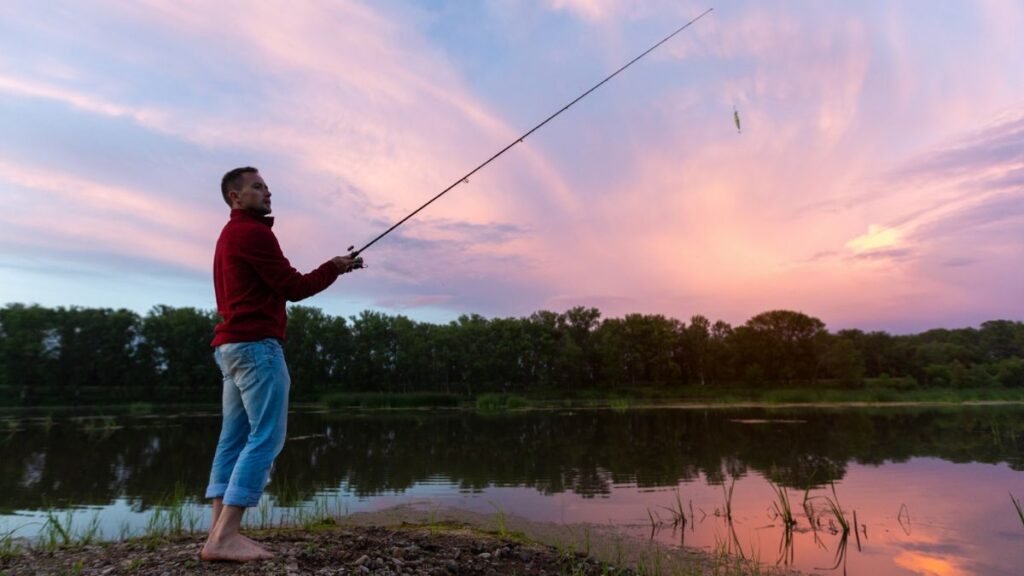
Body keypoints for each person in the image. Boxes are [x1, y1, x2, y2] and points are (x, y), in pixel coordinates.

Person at [200, 167, 360, 562]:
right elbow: (294, 287)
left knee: (233, 439)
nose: (267, 192)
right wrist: (334, 267)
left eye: (268, 187)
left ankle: (218, 534)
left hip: (232, 348)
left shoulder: (229, 235)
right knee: (265, 437)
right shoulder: (254, 233)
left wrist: (333, 267)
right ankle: (225, 538)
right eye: (257, 187)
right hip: (257, 348)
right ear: (235, 197)